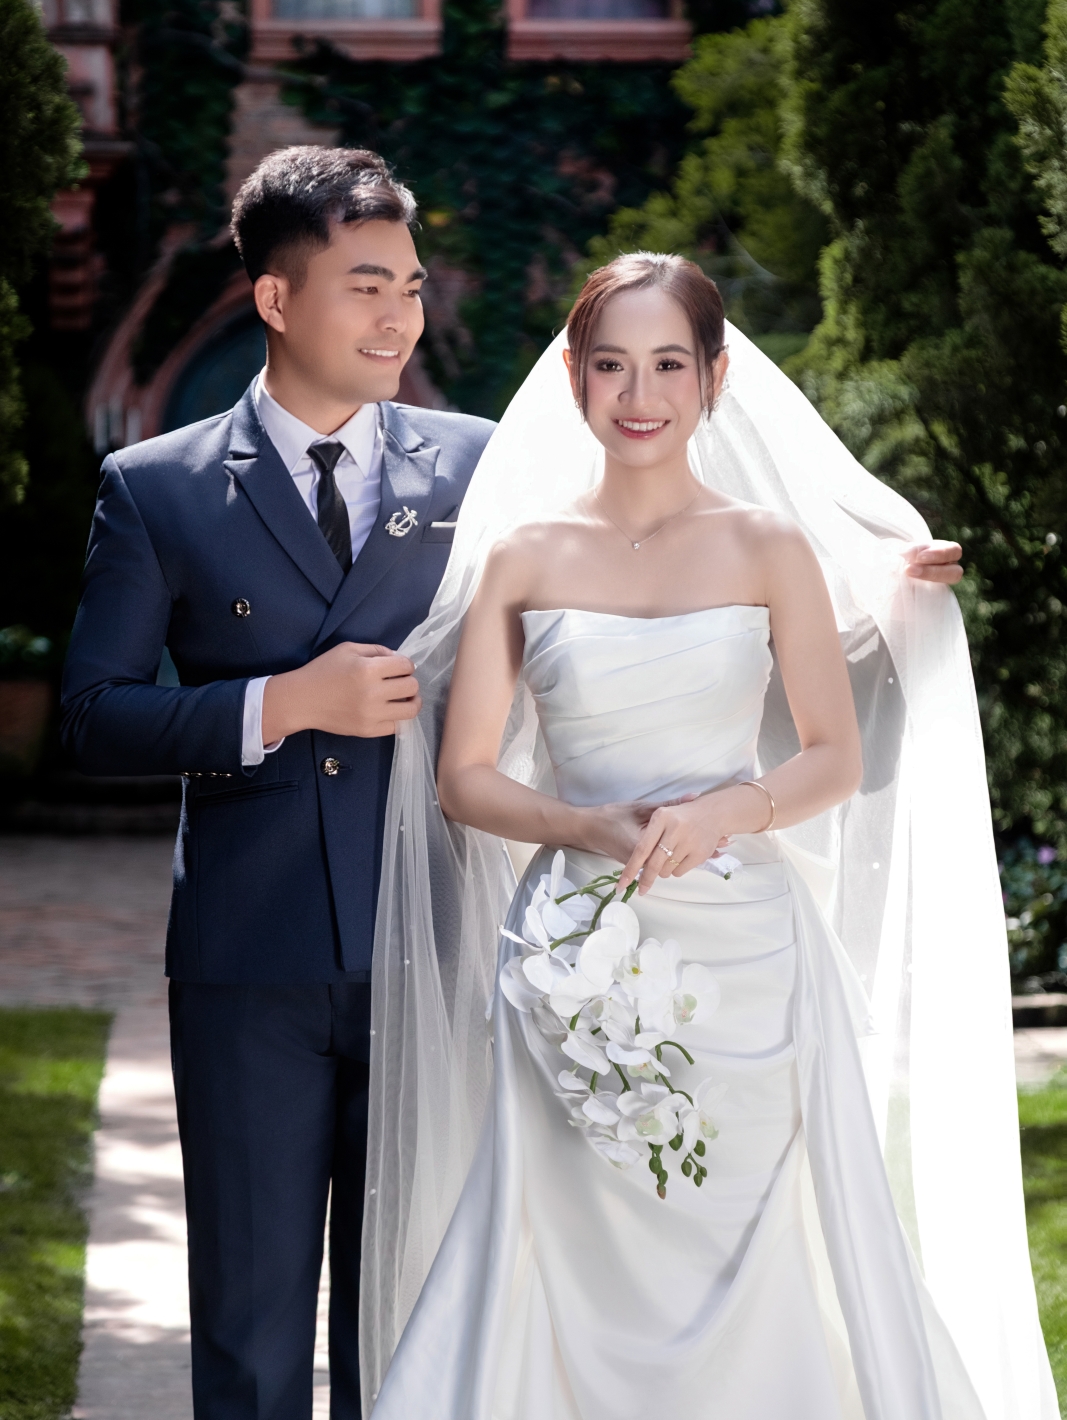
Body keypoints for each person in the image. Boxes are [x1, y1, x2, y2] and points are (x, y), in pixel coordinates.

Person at [362, 254, 1054, 1419]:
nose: (639, 395)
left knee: (759, 1241)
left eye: (667, 365)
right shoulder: (523, 556)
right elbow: (464, 779)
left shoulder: (767, 546)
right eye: (612, 366)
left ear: (713, 377)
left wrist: (724, 809)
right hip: (569, 955)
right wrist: (582, 823)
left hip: (750, 963)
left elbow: (829, 754)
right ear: (574, 379)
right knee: (569, 1240)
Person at [60, 146, 494, 1420]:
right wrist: (283, 703)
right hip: (249, 958)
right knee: (250, 1335)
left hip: (431, 944)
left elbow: (637, 564)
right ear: (275, 298)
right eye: (365, 285)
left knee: (401, 1325)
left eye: (410, 285)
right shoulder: (158, 486)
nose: (399, 316)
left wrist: (866, 581)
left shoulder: (478, 465)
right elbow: (90, 718)